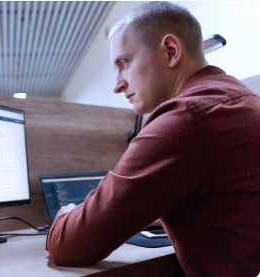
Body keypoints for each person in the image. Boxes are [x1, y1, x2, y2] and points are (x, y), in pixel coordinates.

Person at [45, 2, 260, 276]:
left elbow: (68, 245)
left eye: (124, 63)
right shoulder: (243, 99)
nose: (117, 84)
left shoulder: (186, 118)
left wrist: (65, 215)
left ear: (171, 51)